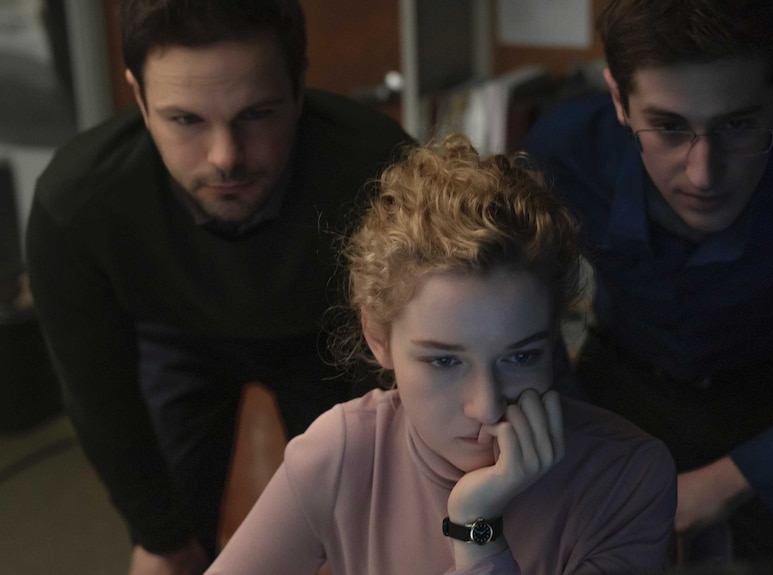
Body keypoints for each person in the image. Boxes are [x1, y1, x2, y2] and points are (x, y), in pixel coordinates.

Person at [25, 1, 412, 573]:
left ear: (300, 83)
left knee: (369, 530)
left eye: (256, 114)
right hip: (177, 333)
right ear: (137, 98)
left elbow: (413, 375)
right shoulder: (77, 205)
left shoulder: (381, 168)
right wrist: (159, 538)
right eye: (186, 120)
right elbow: (98, 396)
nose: (225, 157)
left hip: (331, 338)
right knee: (165, 549)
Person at [204, 135, 677, 575]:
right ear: (377, 337)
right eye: (444, 361)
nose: (487, 406)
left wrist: (478, 533)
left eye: (520, 357)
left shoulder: (627, 478)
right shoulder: (343, 453)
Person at [522, 0, 773, 568]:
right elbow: (520, 329)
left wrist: (738, 477)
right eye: (669, 126)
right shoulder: (563, 150)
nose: (704, 174)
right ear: (618, 100)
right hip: (616, 391)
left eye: (737, 124)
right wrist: (582, 445)